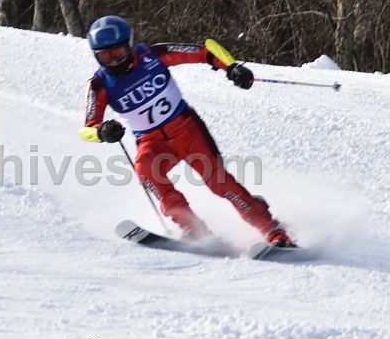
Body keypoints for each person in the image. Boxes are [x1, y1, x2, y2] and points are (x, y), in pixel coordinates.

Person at [79, 15, 295, 247]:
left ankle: (274, 232)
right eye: (105, 57)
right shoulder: (99, 85)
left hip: (187, 130)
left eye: (118, 53)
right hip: (151, 142)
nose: (113, 62)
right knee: (146, 170)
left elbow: (205, 50)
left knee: (219, 183)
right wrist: (102, 132)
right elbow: (87, 129)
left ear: (129, 44)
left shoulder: (152, 55)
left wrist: (232, 67)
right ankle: (194, 229)